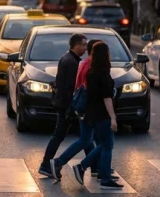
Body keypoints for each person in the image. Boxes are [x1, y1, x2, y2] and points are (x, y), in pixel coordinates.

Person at [50, 41, 123, 189]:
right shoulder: (99, 71)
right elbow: (105, 96)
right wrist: (113, 117)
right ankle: (86, 168)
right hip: (98, 113)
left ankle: (67, 164)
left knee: (88, 140)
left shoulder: (89, 68)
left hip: (87, 111)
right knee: (105, 143)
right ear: (105, 55)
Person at [39, 33, 88, 178]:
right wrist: (71, 109)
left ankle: (96, 165)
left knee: (85, 137)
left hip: (64, 105)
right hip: (67, 107)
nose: (86, 48)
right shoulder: (72, 62)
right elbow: (70, 88)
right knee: (63, 136)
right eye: (84, 45)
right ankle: (46, 165)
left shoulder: (67, 58)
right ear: (76, 45)